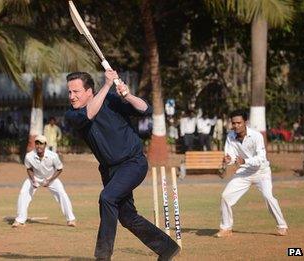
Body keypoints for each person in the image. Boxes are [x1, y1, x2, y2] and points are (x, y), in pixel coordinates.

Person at [65, 71, 179, 260]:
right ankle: (167, 248)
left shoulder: (111, 100)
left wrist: (128, 96)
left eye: (76, 91)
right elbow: (89, 114)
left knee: (107, 197)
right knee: (127, 217)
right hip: (110, 171)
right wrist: (107, 84)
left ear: (89, 91)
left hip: (133, 163)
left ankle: (103, 256)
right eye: (69, 92)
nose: (71, 96)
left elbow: (145, 110)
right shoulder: (73, 114)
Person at [216, 109, 288, 238]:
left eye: (239, 123)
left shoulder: (256, 136)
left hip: (261, 171)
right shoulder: (230, 136)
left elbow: (261, 158)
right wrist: (229, 160)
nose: (236, 126)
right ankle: (226, 228)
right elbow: (232, 156)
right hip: (244, 171)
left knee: (268, 197)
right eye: (234, 123)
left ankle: (282, 225)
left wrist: (244, 160)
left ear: (245, 122)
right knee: (225, 196)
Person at [12, 135, 76, 228]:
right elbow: (29, 168)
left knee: (62, 194)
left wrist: (50, 180)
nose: (39, 146)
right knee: (23, 193)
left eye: (41, 144)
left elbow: (59, 169)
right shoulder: (29, 156)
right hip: (35, 177)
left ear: (45, 145)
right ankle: (20, 220)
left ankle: (71, 219)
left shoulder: (53, 156)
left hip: (50, 178)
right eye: (37, 143)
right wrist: (33, 180)